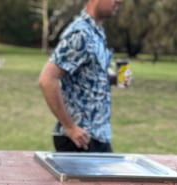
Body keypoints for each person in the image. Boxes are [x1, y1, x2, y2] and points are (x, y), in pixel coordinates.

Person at [38, 0, 123, 153]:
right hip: (81, 140)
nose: (120, 1)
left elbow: (88, 76)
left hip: (98, 136)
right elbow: (47, 79)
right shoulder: (80, 34)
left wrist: (113, 79)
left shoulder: (96, 32)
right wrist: (70, 127)